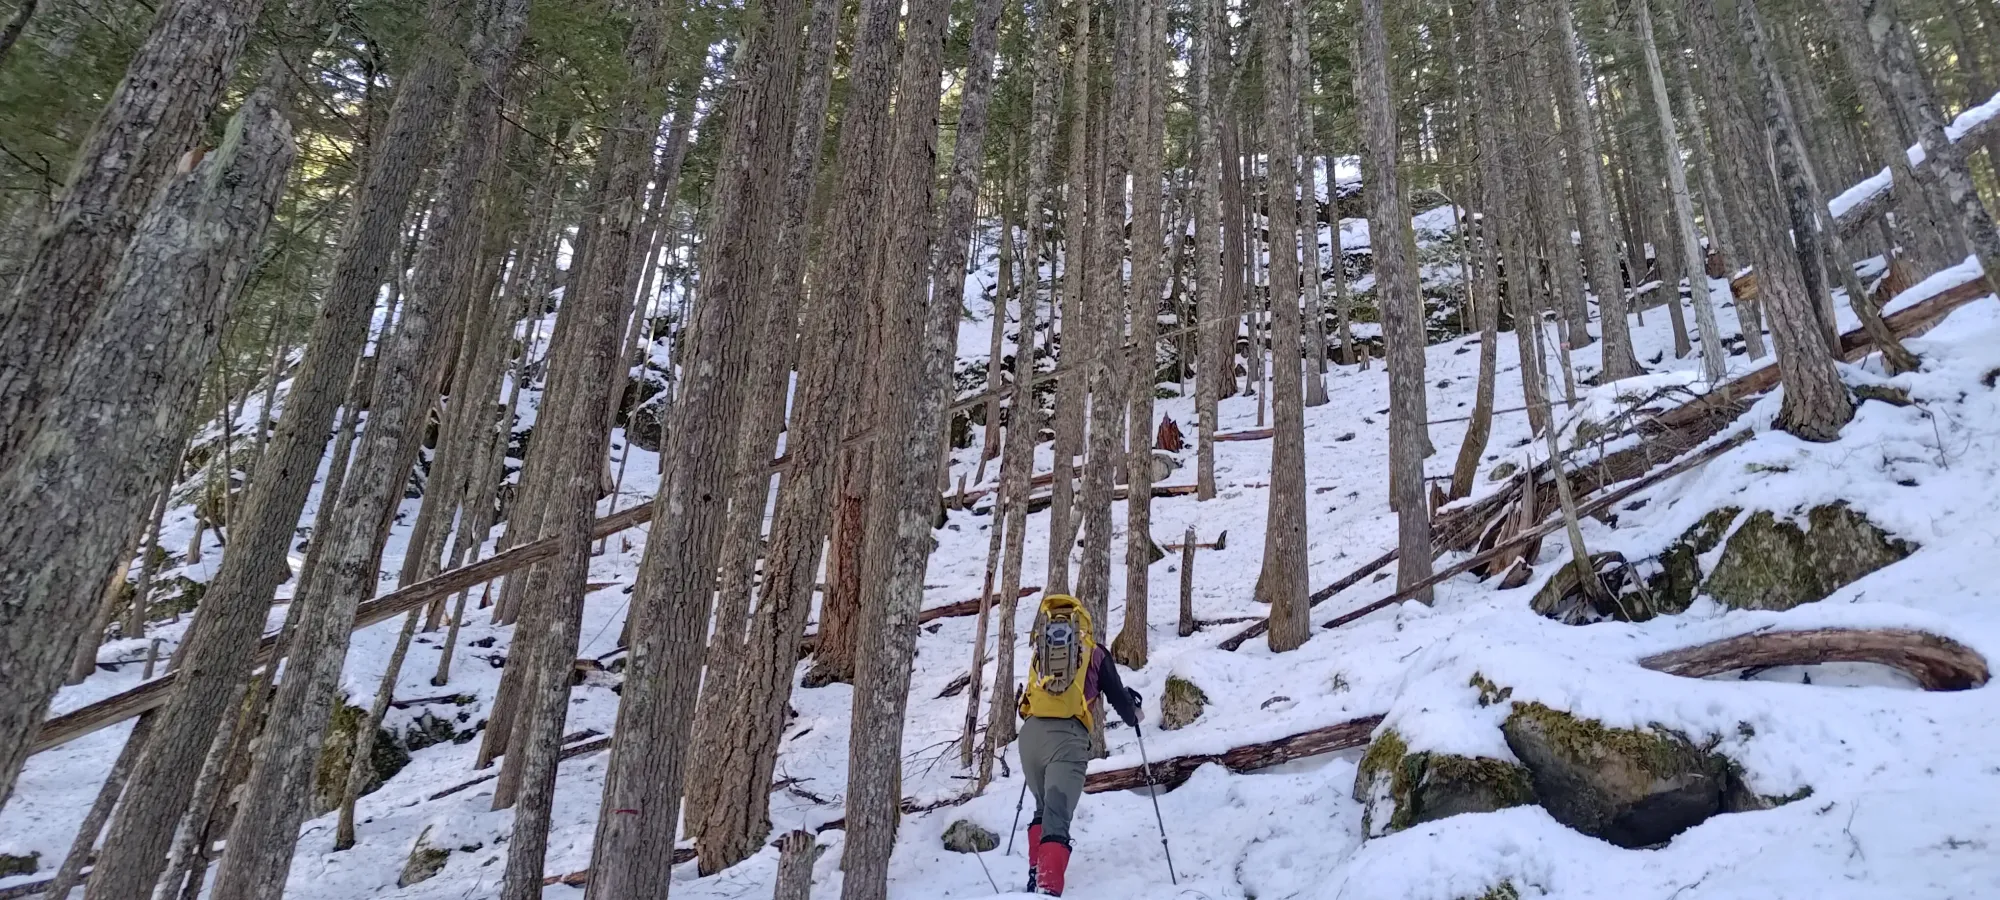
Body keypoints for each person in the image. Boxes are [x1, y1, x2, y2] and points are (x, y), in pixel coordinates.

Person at [1016, 594, 1143, 897]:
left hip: (1030, 736)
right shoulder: (1095, 653)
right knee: (1057, 817)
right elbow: (1121, 704)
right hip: (1067, 739)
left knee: (1043, 808)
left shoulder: (1041, 651)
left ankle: (1035, 876)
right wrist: (1135, 712)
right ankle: (1046, 889)